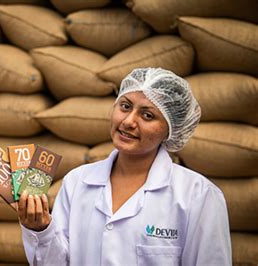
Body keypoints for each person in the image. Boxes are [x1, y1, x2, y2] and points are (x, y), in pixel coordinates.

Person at [17, 68, 232, 265]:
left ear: (170, 130)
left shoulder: (198, 196)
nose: (129, 121)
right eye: (125, 106)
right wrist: (41, 230)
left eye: (147, 115)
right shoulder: (77, 182)